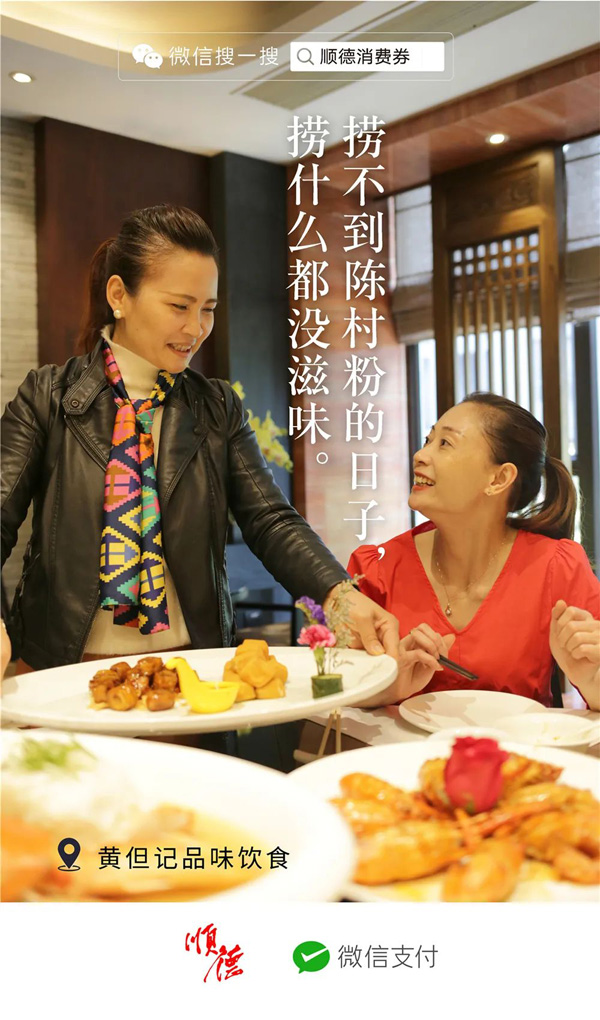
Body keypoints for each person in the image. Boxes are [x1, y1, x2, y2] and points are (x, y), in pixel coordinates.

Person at [1, 204, 400, 681]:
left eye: (207, 309)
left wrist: (338, 593)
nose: (195, 329)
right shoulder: (49, 396)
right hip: (61, 674)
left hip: (191, 672)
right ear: (119, 295)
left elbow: (270, 519)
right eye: (179, 306)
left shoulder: (217, 407)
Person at [348, 393, 600, 709]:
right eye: (428, 440)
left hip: (521, 742)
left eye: (445, 443)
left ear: (499, 478)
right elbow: (334, 693)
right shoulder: (378, 568)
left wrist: (590, 680)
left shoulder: (557, 565)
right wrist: (390, 688)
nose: (420, 455)